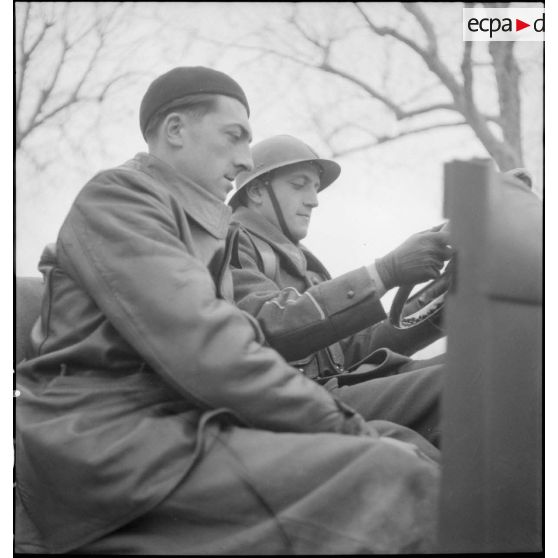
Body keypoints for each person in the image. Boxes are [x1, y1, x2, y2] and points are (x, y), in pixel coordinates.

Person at [15, 67, 440, 554]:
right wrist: (344, 428)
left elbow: (238, 342)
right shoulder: (121, 198)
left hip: (172, 429)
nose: (243, 160)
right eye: (234, 137)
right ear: (175, 130)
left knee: (399, 447)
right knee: (393, 473)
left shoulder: (194, 226)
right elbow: (208, 347)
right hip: (108, 448)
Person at [228, 135, 452, 445]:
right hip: (288, 409)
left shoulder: (305, 263)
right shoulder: (231, 242)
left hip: (327, 394)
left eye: (314, 188)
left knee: (475, 364)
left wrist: (446, 294)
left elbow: (349, 351)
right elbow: (266, 325)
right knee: (456, 385)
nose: (313, 199)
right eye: (298, 185)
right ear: (255, 191)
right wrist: (385, 271)